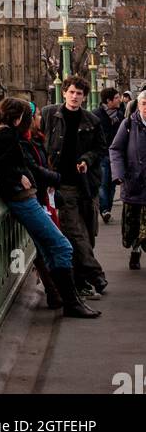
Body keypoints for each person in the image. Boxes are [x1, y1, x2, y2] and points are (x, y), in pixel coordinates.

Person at [0, 97, 99, 318]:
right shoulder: (6, 136)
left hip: (25, 198)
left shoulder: (6, 135)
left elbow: (5, 164)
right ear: (19, 119)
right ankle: (72, 303)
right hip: (23, 200)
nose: (37, 119)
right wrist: (18, 175)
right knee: (62, 247)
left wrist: (21, 173)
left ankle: (66, 299)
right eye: (32, 116)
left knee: (48, 249)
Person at [41, 77, 108, 298]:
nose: (74, 96)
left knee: (88, 234)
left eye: (79, 93)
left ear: (84, 96)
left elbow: (100, 149)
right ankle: (96, 274)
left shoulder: (91, 120)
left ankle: (81, 281)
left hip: (87, 184)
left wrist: (86, 160)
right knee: (74, 230)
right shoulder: (51, 114)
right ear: (64, 93)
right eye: (71, 92)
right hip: (63, 183)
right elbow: (40, 143)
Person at [21, 102, 63, 308]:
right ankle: (57, 292)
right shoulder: (22, 143)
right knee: (51, 245)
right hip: (32, 201)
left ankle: (57, 291)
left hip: (43, 198)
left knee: (47, 245)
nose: (40, 118)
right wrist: (57, 178)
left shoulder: (36, 140)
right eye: (36, 115)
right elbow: (33, 169)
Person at [110, 87, 146, 270]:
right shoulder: (129, 124)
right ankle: (135, 249)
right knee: (133, 224)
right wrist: (119, 173)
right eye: (144, 104)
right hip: (134, 182)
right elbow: (115, 149)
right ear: (138, 105)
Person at [97, 87, 124, 223]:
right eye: (117, 97)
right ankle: (104, 209)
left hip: (116, 155)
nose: (119, 99)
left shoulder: (120, 115)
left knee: (113, 184)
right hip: (102, 154)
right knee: (103, 183)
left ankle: (108, 208)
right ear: (109, 101)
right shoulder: (97, 115)